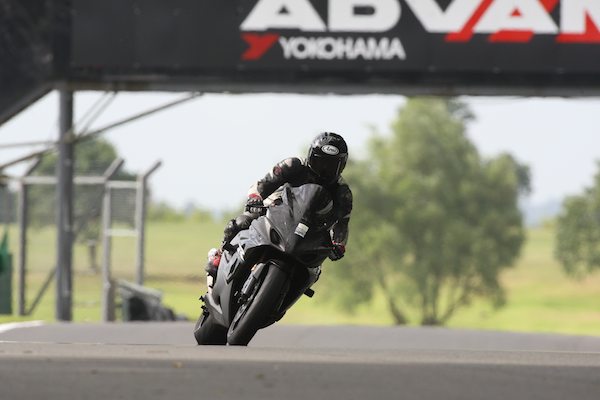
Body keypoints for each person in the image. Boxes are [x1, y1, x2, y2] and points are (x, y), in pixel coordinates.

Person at [205, 132, 353, 288]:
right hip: (276, 210)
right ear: (310, 156)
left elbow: (342, 224)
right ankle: (219, 256)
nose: (324, 169)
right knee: (243, 221)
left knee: (315, 270)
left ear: (341, 166)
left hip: (309, 232)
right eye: (320, 162)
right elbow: (263, 184)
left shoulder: (342, 193)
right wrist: (255, 198)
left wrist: (339, 244)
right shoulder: (293, 165)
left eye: (331, 166)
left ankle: (285, 295)